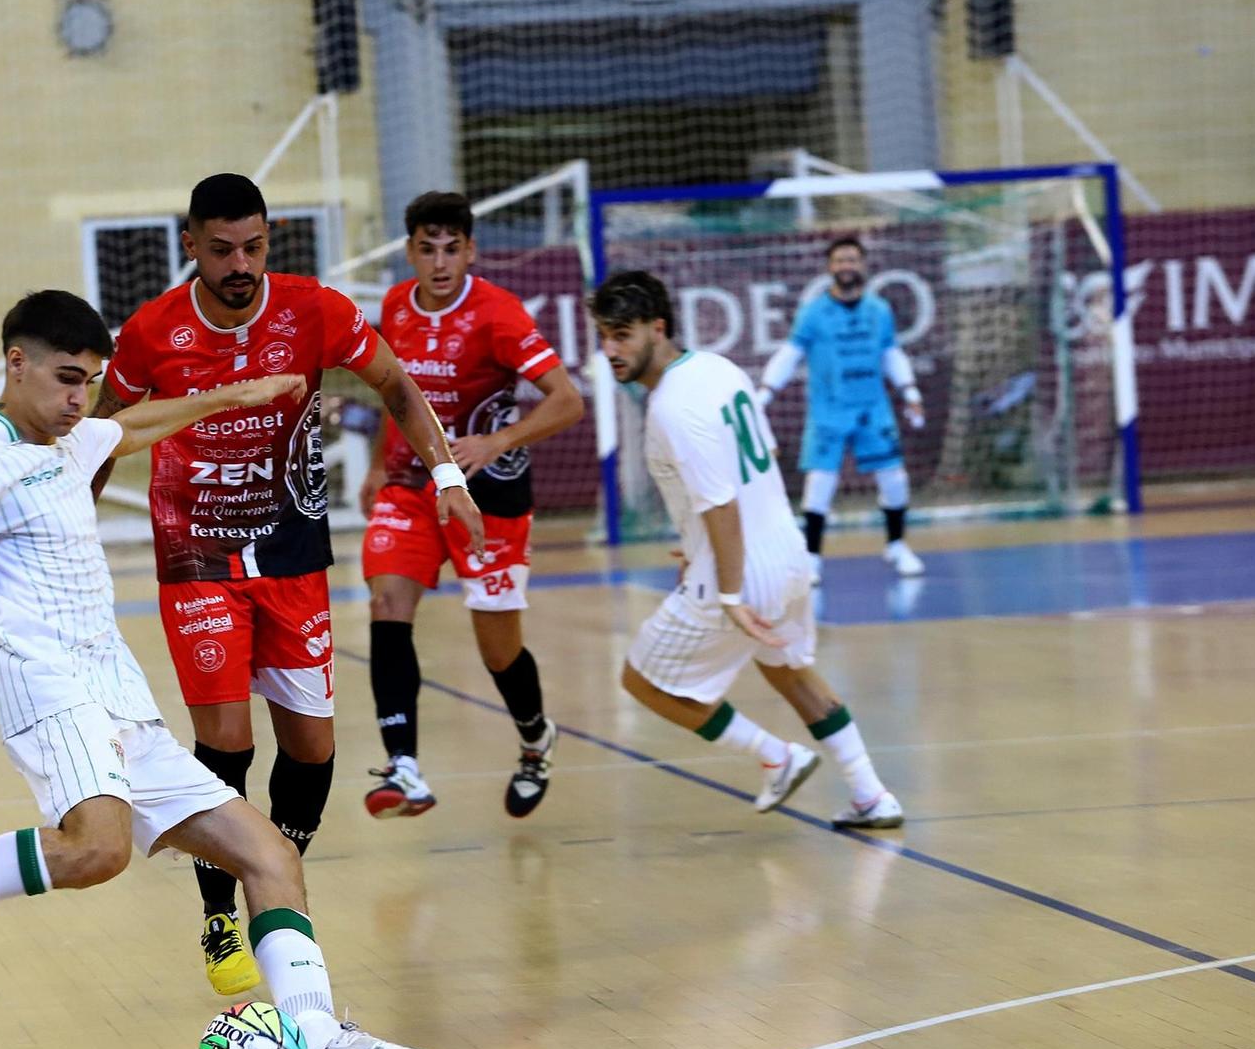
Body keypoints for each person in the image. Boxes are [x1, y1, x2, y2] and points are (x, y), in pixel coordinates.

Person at [0, 290, 436, 1049]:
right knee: (98, 848)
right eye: (63, 379)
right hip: (47, 688)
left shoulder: (74, 435)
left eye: (89, 381)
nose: (77, 400)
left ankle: (320, 1040)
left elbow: (144, 421)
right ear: (14, 363)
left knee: (268, 856)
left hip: (118, 695)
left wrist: (243, 391)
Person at [89, 174, 483, 996]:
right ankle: (219, 912)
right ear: (190, 244)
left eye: (256, 247)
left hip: (293, 549)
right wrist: (67, 537)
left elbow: (397, 387)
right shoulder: (150, 332)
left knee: (311, 747)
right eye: (224, 248)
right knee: (228, 738)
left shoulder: (316, 310)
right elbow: (97, 438)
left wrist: (449, 473)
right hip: (196, 552)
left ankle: (277, 877)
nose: (242, 264)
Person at [590, 271, 905, 829]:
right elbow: (762, 454)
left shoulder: (670, 407)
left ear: (657, 328)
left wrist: (729, 590)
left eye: (622, 335)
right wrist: (694, 546)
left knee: (642, 680)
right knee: (792, 672)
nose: (610, 350)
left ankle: (776, 755)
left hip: (737, 571)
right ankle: (871, 795)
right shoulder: (719, 367)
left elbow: (721, 505)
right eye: (604, 336)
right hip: (787, 553)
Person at [357, 191, 586, 819]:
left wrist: (497, 440)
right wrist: (380, 462)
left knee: (498, 650)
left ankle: (536, 739)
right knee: (386, 601)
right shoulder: (396, 306)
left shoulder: (499, 314)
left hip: (492, 493)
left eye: (450, 249)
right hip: (414, 482)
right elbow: (396, 390)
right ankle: (403, 768)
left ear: (470, 252)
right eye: (426, 249)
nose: (438, 262)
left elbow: (567, 400)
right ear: (409, 252)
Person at [758, 236, 927, 580]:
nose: (846, 266)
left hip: (873, 409)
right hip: (829, 412)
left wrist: (910, 392)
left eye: (852, 260)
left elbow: (890, 353)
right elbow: (791, 354)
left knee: (895, 479)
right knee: (819, 485)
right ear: (830, 267)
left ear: (863, 265)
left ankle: (896, 546)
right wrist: (764, 393)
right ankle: (812, 558)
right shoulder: (813, 313)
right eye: (840, 260)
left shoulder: (879, 310)